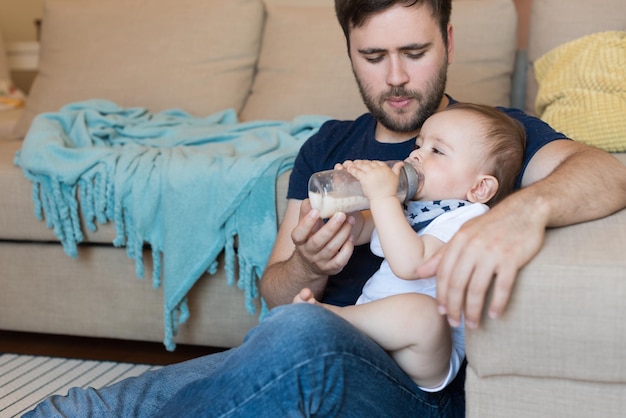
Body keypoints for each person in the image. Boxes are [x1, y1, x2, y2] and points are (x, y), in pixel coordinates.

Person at [26, 1, 626, 417]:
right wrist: (309, 265)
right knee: (86, 406)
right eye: (372, 56)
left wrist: (524, 213)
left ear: (447, 40)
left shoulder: (493, 139)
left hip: (406, 385)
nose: (395, 78)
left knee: (299, 336)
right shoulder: (329, 146)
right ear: (348, 49)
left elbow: (608, 173)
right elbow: (277, 292)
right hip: (297, 344)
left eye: (414, 51)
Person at [292, 102, 526, 393]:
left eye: (436, 151)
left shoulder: (468, 217)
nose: (416, 154)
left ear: (479, 188)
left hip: (424, 358)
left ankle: (332, 319)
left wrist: (383, 198)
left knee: (423, 314)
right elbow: (363, 229)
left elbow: (412, 264)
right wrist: (349, 200)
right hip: (376, 344)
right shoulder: (408, 206)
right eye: (419, 145)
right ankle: (337, 331)